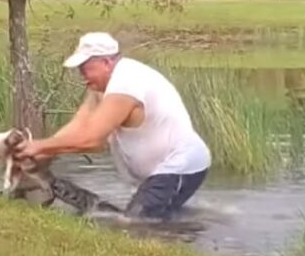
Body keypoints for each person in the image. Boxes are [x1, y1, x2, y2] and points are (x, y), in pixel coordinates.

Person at [13, 32, 211, 220]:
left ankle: (193, 231)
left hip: (179, 165)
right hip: (156, 172)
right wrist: (43, 154)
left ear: (106, 62)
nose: (82, 75)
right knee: (152, 217)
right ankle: (188, 224)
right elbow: (79, 125)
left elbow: (93, 141)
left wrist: (38, 147)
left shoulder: (126, 84)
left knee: (135, 225)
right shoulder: (101, 87)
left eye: (85, 68)